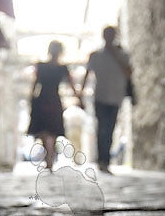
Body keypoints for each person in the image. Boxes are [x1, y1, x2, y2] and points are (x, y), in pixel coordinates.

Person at [80, 26, 131, 174]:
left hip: (116, 97)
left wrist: (116, 55)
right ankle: (102, 160)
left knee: (110, 128)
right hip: (100, 97)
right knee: (101, 128)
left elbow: (128, 72)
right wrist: (81, 94)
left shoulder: (122, 54)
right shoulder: (96, 55)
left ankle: (105, 160)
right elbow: (87, 73)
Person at [27, 41, 83, 170]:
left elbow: (35, 84)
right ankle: (50, 158)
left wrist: (32, 99)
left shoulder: (41, 66)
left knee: (45, 131)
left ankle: (49, 158)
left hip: (42, 99)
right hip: (54, 100)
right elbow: (72, 85)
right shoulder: (62, 68)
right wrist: (79, 98)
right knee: (52, 131)